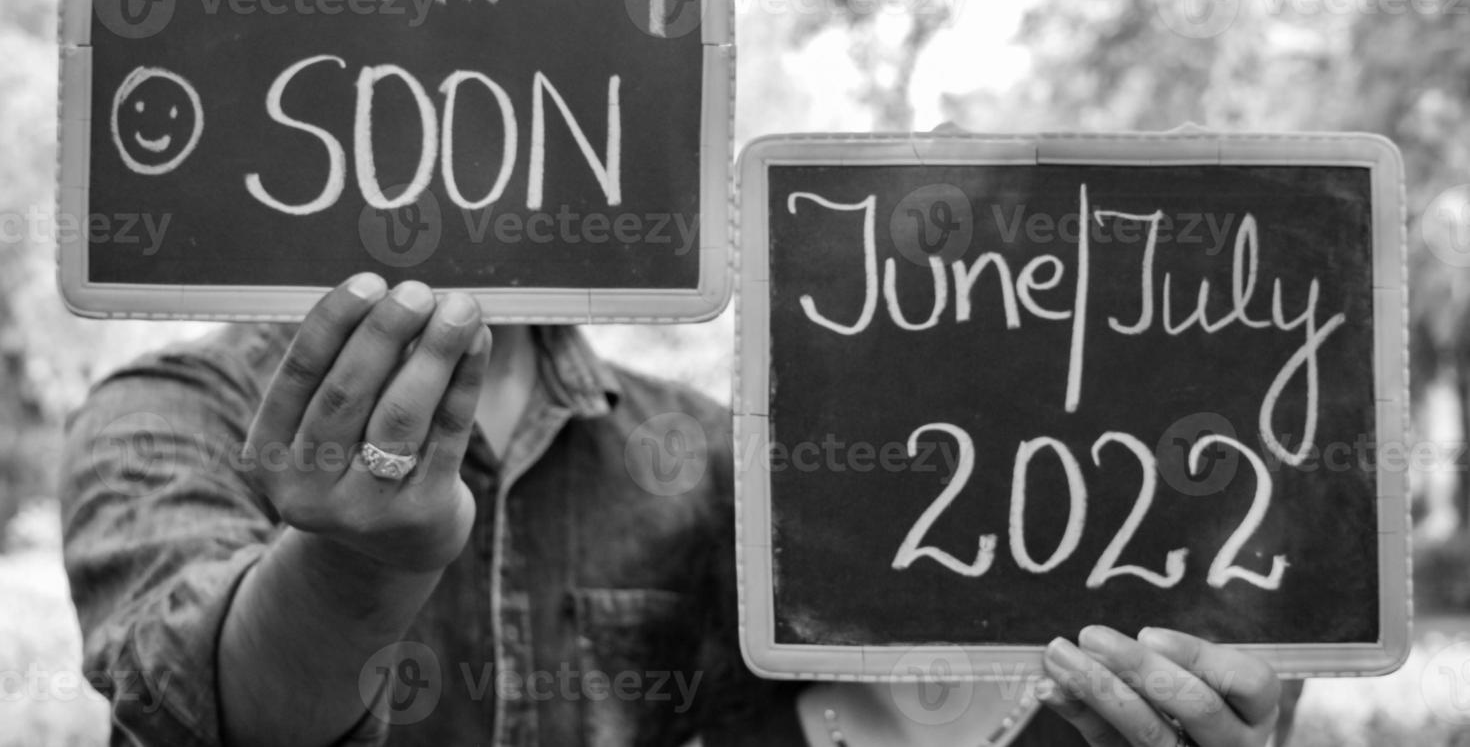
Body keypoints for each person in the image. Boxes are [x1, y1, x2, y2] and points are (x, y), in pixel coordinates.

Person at [61, 273, 1295, 746]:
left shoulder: (704, 453)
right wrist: (345, 572)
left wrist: (1127, 726)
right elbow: (199, 707)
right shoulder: (165, 411)